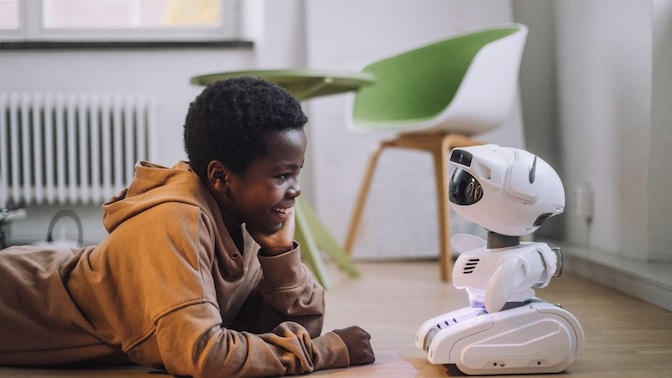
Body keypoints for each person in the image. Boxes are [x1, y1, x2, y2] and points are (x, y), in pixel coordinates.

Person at [0, 77, 375, 377]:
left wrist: (279, 255)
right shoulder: (174, 220)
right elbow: (203, 356)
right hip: (18, 297)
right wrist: (328, 352)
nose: (295, 190)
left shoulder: (246, 222)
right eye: (281, 175)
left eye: (297, 173)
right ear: (220, 177)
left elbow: (290, 330)